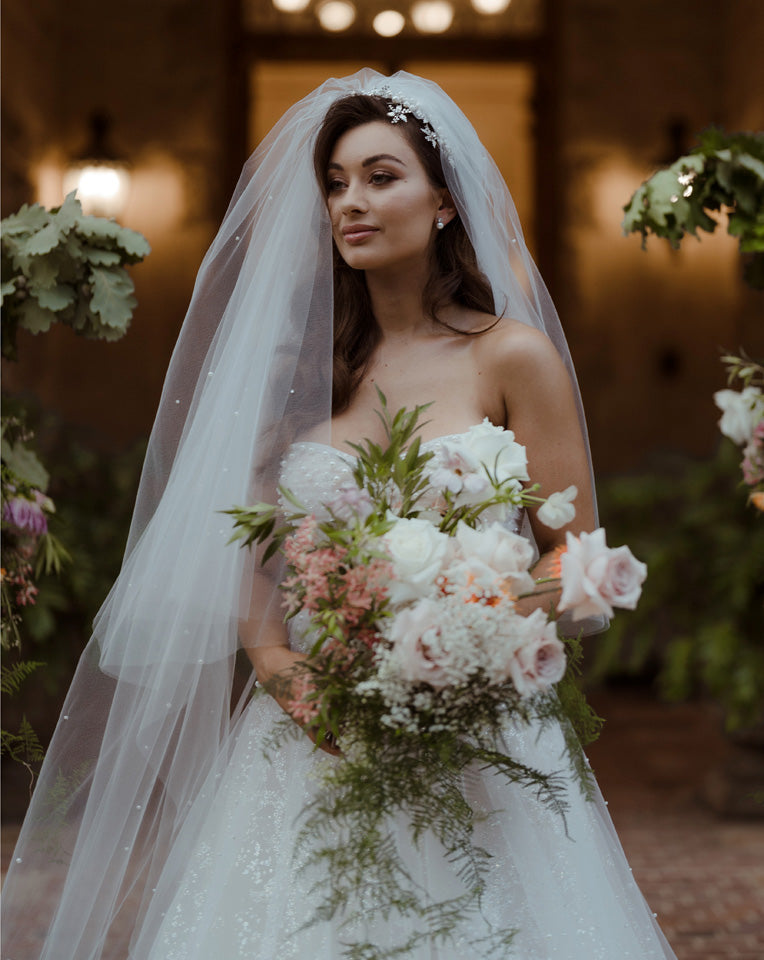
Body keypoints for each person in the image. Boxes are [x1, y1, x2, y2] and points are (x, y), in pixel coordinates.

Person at [1, 70, 676, 960]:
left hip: (476, 732)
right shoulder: (294, 372)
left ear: (444, 201)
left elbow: (575, 553)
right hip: (311, 737)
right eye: (334, 182)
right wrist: (287, 671)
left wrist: (465, 635)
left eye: (380, 176)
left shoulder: (511, 357)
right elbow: (255, 575)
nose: (349, 202)